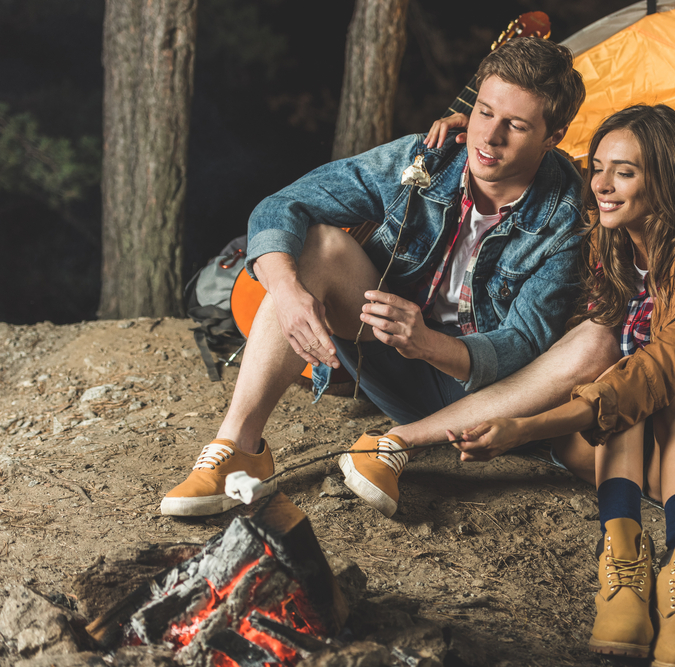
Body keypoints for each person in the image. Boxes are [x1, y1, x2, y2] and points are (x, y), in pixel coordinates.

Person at [160, 37, 587, 518]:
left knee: (594, 344)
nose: (489, 138)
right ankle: (239, 447)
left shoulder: (566, 219)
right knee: (321, 245)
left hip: (479, 393)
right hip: (384, 357)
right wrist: (288, 292)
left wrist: (429, 344)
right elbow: (284, 204)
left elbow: (525, 344)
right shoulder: (427, 157)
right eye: (485, 113)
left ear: (553, 137)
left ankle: (397, 443)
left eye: (516, 125)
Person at [450, 105, 675, 667]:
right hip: (635, 440)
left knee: (658, 392)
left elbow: (659, 371)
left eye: (624, 172)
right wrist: (457, 126)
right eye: (599, 168)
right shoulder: (613, 227)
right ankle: (623, 568)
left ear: (664, 178)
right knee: (611, 397)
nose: (602, 184)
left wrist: (524, 424)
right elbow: (540, 157)